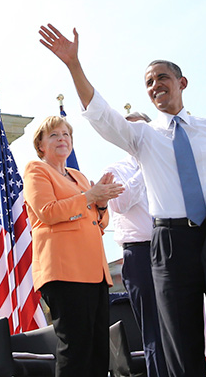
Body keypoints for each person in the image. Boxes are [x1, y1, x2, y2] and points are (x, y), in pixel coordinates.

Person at [38, 24, 206, 377]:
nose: (155, 86)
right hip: (169, 242)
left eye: (162, 78)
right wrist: (74, 65)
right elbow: (103, 116)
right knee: (178, 339)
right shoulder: (143, 137)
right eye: (149, 83)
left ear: (182, 83)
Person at [22, 115, 122, 377]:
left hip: (95, 272)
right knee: (75, 350)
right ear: (41, 145)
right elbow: (48, 212)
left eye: (66, 134)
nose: (62, 139)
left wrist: (101, 203)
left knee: (98, 350)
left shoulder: (79, 176)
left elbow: (99, 224)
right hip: (64, 272)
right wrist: (90, 196)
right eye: (54, 135)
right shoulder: (36, 170)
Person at [102, 111, 168, 377]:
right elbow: (119, 202)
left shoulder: (168, 163)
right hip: (141, 253)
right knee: (154, 330)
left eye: (142, 130)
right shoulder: (116, 170)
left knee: (182, 326)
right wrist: (145, 166)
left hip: (172, 247)